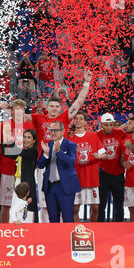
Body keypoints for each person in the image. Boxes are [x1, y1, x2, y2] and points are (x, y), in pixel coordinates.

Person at [30, 70, 92, 222]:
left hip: (61, 164)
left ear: (60, 107)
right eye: (51, 106)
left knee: (65, 208)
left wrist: (86, 83)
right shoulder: (38, 118)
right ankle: (47, 232)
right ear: (47, 106)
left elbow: (78, 103)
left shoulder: (64, 117)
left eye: (57, 106)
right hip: (44, 163)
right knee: (44, 204)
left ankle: (64, 235)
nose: (54, 108)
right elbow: (19, 115)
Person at [0, 99, 35, 223]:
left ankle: (25, 231)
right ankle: (4, 230)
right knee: (6, 203)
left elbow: (31, 148)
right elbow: (4, 150)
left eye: (22, 109)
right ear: (12, 111)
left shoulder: (29, 125)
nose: (19, 111)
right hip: (8, 168)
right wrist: (16, 152)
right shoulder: (6, 125)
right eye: (17, 109)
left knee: (24, 203)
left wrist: (17, 152)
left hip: (24, 170)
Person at [37, 121, 81, 223]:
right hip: (50, 187)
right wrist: (46, 155)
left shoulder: (70, 145)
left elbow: (70, 162)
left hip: (65, 187)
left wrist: (59, 152)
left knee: (67, 218)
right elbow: (40, 165)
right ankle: (55, 239)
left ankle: (67, 239)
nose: (53, 133)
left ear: (63, 131)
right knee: (53, 219)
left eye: (55, 130)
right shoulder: (48, 145)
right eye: (51, 130)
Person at [68, 111, 106, 222]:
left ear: (85, 122)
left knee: (95, 207)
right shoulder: (69, 138)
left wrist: (99, 155)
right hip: (75, 178)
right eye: (76, 118)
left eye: (81, 119)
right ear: (73, 121)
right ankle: (78, 230)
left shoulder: (94, 136)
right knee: (75, 208)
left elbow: (104, 154)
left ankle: (92, 230)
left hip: (91, 177)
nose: (78, 120)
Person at [2, 127, 39, 222]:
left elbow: (16, 150)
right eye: (24, 137)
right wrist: (4, 137)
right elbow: (5, 152)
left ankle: (30, 234)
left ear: (34, 140)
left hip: (27, 185)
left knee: (27, 212)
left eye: (29, 137)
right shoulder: (22, 152)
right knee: (16, 210)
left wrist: (9, 137)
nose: (26, 139)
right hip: (18, 183)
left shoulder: (32, 151)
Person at [97, 113, 128, 222]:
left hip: (118, 173)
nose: (109, 127)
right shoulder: (97, 135)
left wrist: (124, 157)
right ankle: (100, 228)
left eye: (111, 125)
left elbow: (131, 138)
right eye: (106, 125)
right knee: (101, 204)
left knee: (119, 204)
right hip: (103, 173)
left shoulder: (120, 133)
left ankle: (118, 227)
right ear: (102, 124)